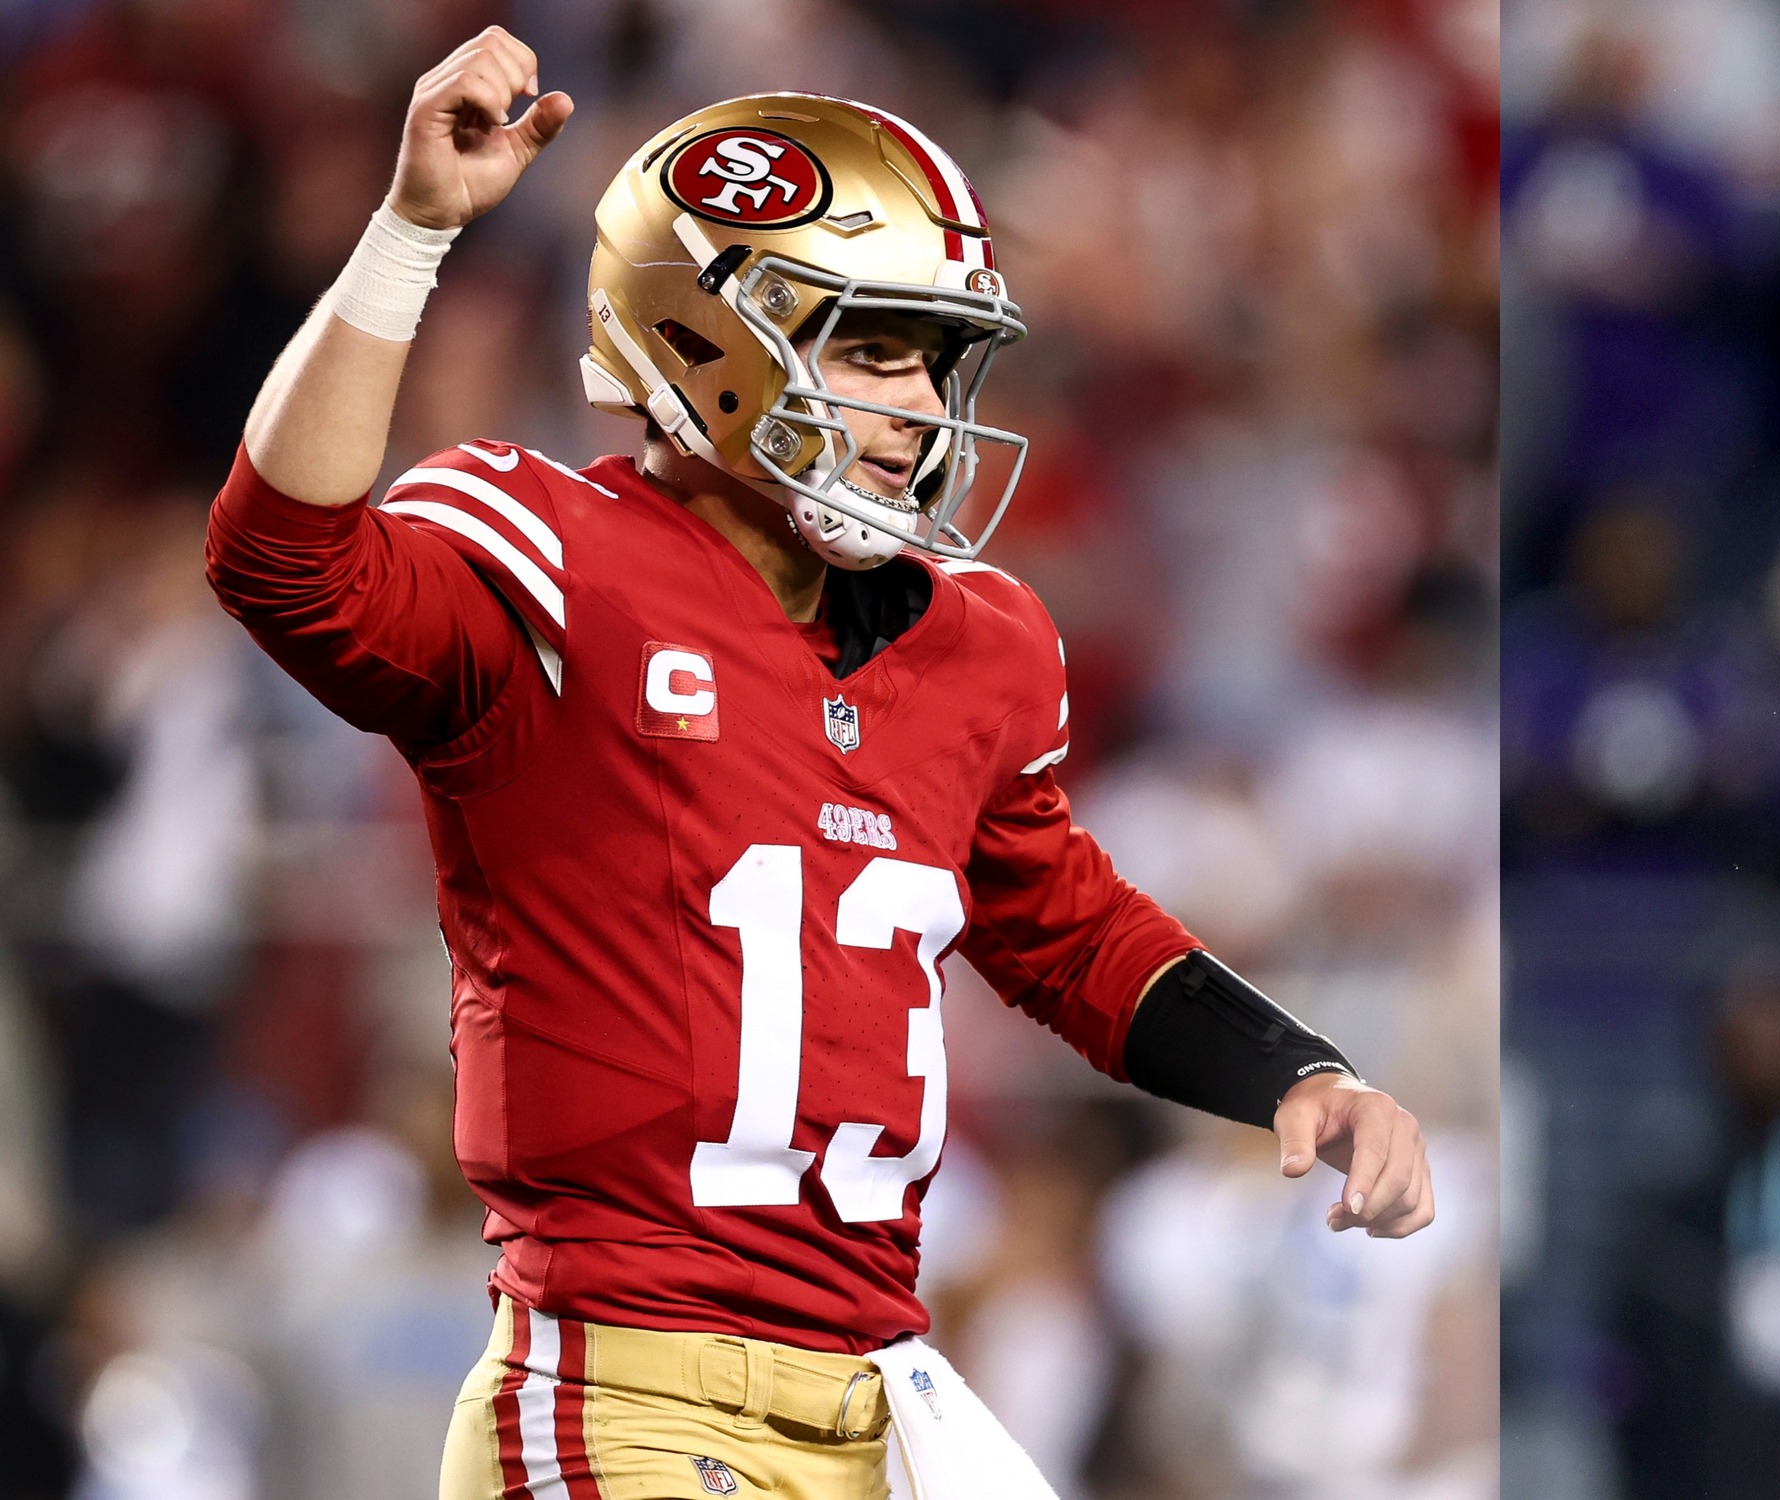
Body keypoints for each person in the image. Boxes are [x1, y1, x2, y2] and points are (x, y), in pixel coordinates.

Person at [202, 28, 1434, 1500]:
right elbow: (283, 561)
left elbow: (1068, 926)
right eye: (871, 345)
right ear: (706, 338)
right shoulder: (551, 554)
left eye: (939, 358)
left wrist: (1289, 1070)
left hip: (876, 1397)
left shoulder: (973, 645)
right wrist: (410, 238)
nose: (920, 406)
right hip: (628, 1383)